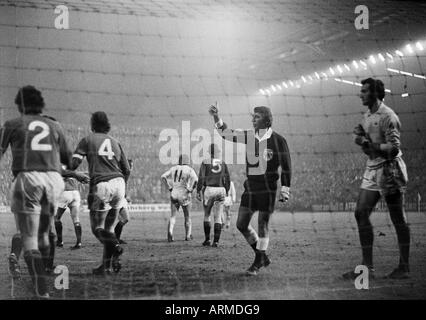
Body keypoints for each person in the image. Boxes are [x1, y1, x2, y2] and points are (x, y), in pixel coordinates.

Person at [0, 86, 73, 298]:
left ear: (19, 106)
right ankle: (45, 262)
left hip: (28, 180)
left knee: (29, 238)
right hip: (54, 181)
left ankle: (43, 292)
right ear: (41, 105)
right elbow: (68, 160)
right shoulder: (54, 125)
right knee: (43, 234)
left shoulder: (13, 124)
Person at [209, 103, 291, 275]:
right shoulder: (248, 136)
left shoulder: (278, 140)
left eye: (257, 116)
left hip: (268, 188)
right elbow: (226, 134)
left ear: (267, 120)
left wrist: (285, 188)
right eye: (252, 116)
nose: (252, 119)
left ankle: (257, 262)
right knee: (241, 224)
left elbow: (286, 166)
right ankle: (262, 256)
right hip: (251, 187)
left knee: (263, 224)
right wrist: (216, 117)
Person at [343, 78, 410, 280]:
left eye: (364, 91)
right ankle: (367, 268)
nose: (361, 94)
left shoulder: (389, 116)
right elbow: (361, 136)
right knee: (360, 213)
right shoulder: (367, 115)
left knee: (397, 218)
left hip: (390, 170)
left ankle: (404, 267)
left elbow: (394, 148)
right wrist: (361, 139)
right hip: (372, 169)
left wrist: (373, 146)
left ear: (375, 93)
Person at [71, 111, 131, 275]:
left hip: (101, 185)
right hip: (119, 183)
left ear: (92, 124)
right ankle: (106, 267)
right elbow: (126, 169)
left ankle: (116, 247)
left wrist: (66, 169)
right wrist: (123, 187)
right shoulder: (115, 142)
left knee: (97, 228)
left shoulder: (88, 140)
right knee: (109, 229)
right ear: (107, 125)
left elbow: (74, 163)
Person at [196, 143, 230, 247]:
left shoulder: (205, 162)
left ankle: (207, 240)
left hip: (209, 189)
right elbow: (227, 178)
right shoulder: (223, 163)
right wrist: (227, 190)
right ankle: (216, 241)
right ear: (217, 151)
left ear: (210, 152)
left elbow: (201, 178)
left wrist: (198, 190)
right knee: (218, 216)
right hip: (221, 189)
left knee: (207, 215)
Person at [161, 155, 198, 242]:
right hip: (184, 194)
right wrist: (191, 189)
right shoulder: (189, 169)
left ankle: (170, 232)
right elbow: (196, 180)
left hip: (174, 193)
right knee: (187, 216)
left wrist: (169, 187)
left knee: (173, 216)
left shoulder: (173, 168)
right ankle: (188, 235)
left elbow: (163, 177)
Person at [55, 167, 89, 249]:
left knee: (57, 218)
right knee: (76, 219)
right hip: (76, 193)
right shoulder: (72, 167)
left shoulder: (57, 166)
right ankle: (79, 243)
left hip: (65, 193)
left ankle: (60, 242)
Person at [114, 159, 133, 244]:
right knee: (124, 219)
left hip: (122, 199)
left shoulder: (124, 176)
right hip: (117, 199)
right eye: (130, 165)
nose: (131, 168)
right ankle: (114, 239)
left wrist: (126, 196)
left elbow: (123, 187)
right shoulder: (124, 174)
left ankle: (116, 238)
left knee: (124, 219)